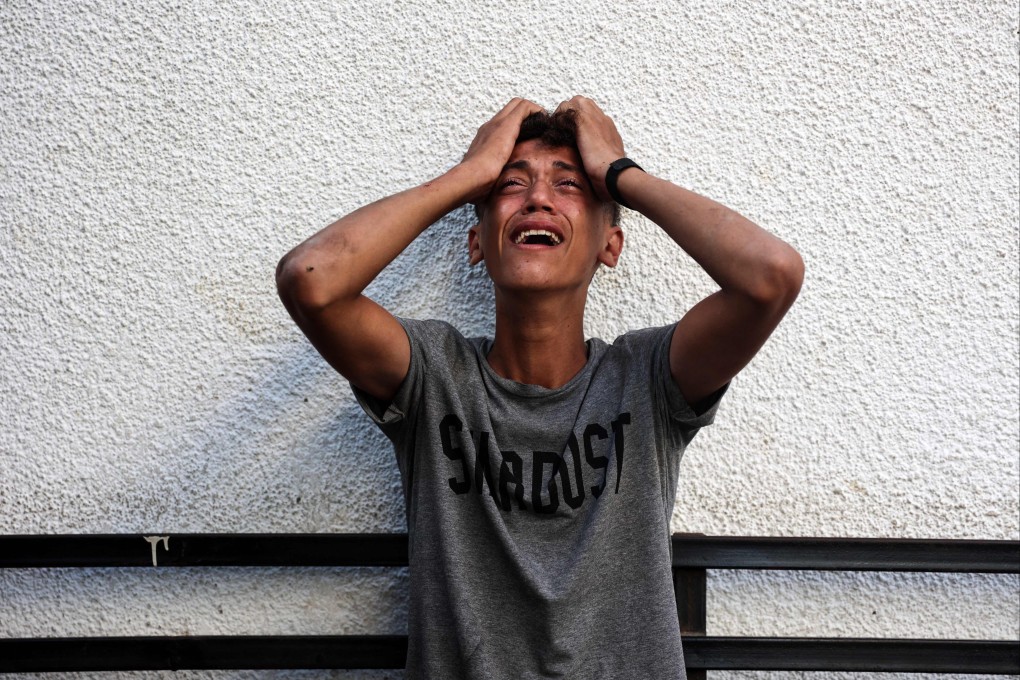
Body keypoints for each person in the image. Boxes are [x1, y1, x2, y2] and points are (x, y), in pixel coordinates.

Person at [276, 96, 804, 679]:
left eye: (569, 185)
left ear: (611, 245)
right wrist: (468, 176)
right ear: (477, 243)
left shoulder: (648, 378)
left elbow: (771, 276)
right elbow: (312, 279)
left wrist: (619, 173)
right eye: (512, 184)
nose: (538, 198)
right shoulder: (432, 375)